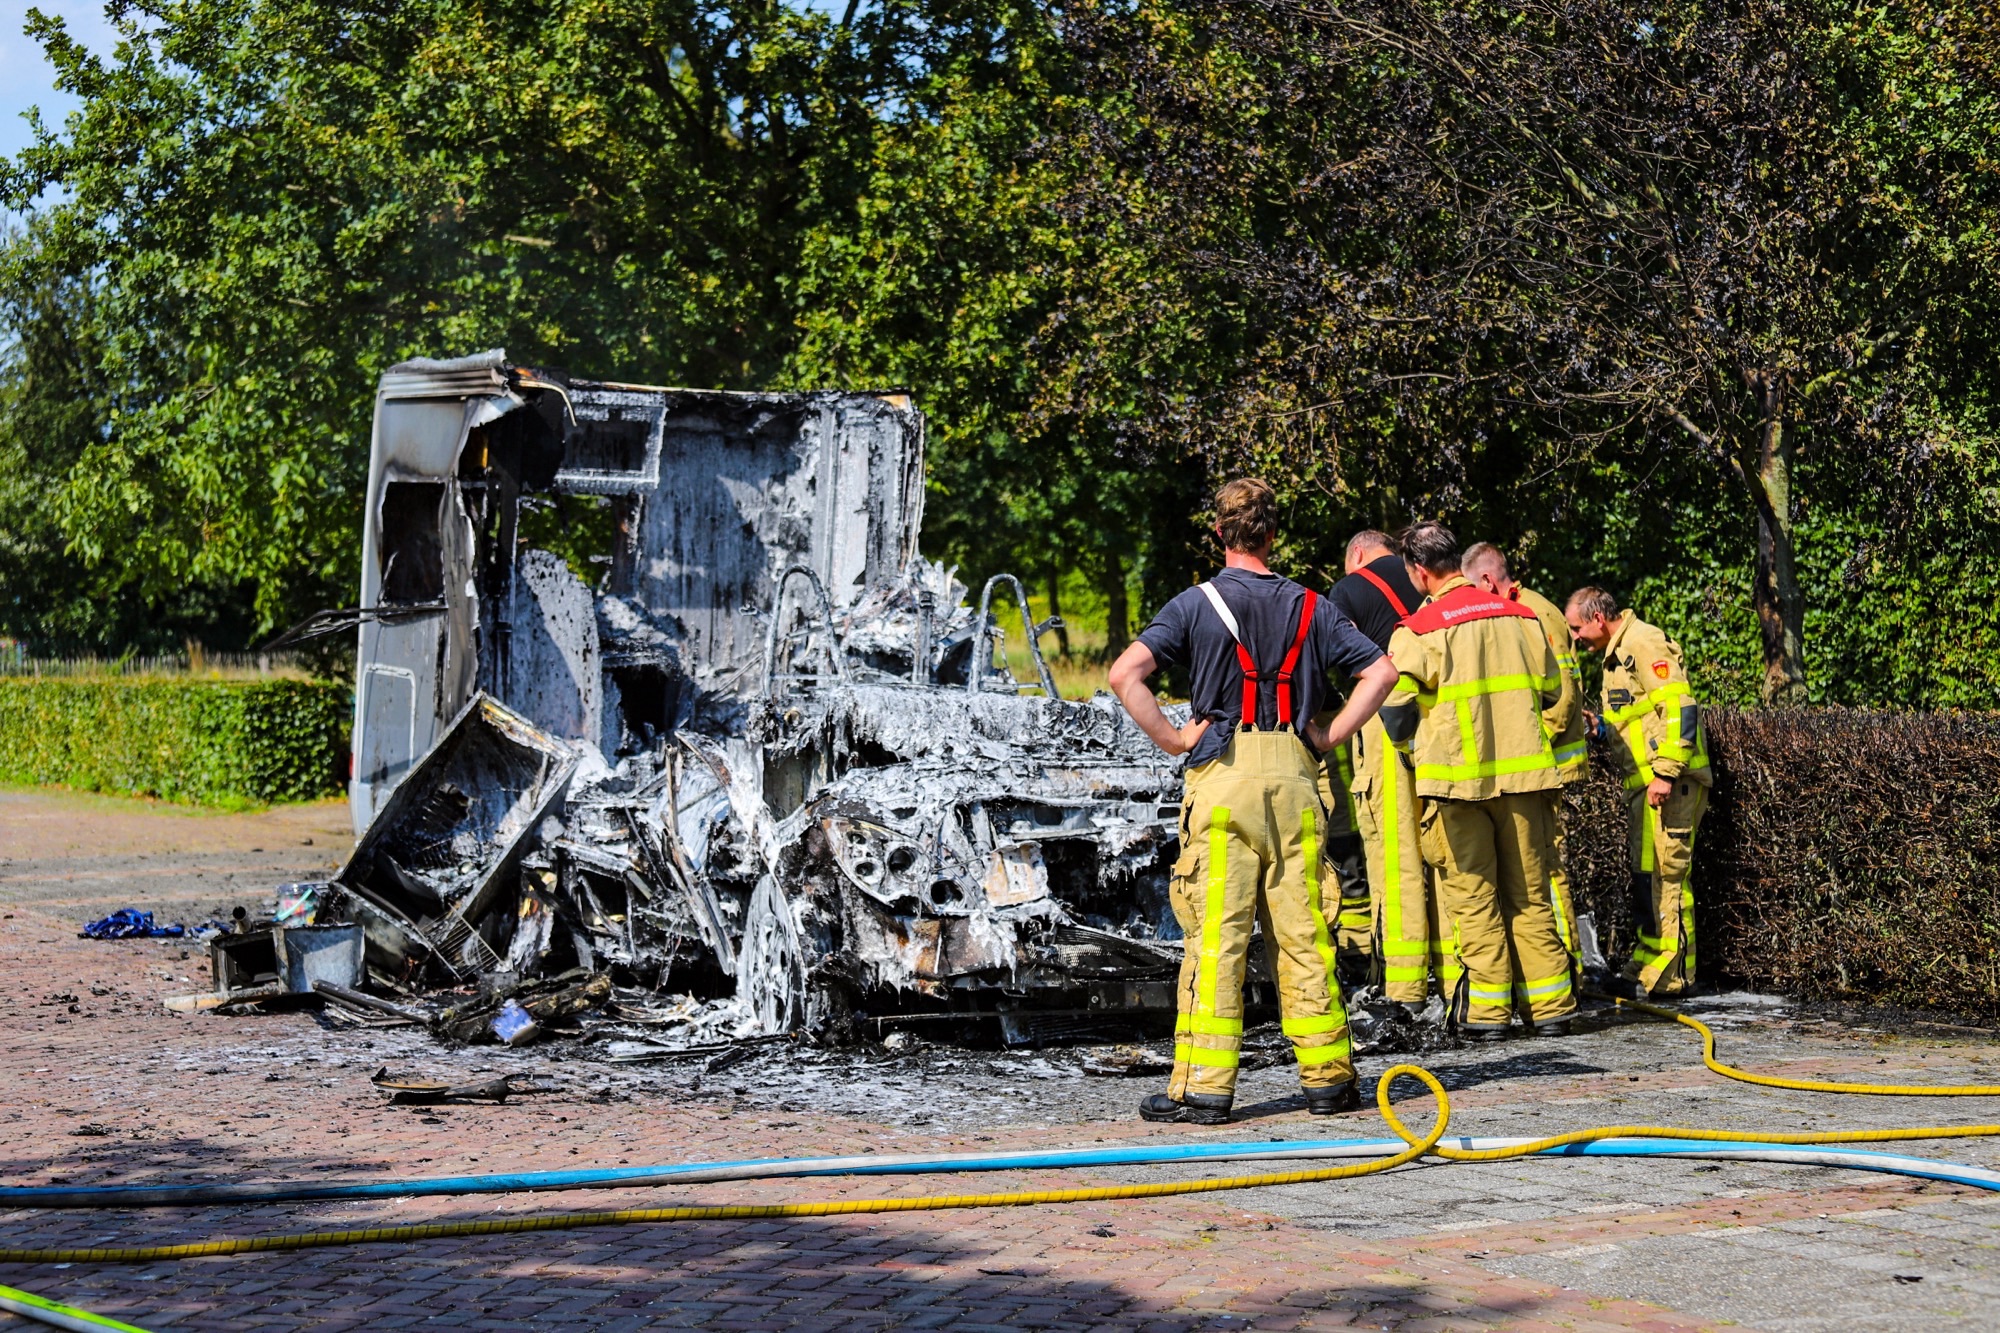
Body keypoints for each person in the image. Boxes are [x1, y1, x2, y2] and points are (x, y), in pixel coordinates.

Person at [1109, 479, 1398, 1123]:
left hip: (1223, 780)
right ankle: (1329, 1079)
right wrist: (1328, 733)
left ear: (1220, 533)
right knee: (1303, 931)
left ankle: (1204, 1089)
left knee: (1218, 936)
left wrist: (1174, 738)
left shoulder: (1193, 604)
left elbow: (1124, 674)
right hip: (1296, 778)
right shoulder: (1313, 606)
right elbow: (1381, 670)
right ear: (1272, 533)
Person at [1379, 522, 1576, 1040]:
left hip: (1457, 788)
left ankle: (1488, 1017)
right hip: (1526, 780)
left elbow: (1395, 708)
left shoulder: (1418, 630)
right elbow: (1554, 689)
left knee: (1475, 897)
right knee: (1531, 894)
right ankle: (1552, 1007)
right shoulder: (1522, 616)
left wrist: (1413, 753)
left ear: (1420, 572)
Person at [1565, 586, 1711, 998]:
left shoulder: (1643, 641)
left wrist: (1665, 772)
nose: (1575, 637)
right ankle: (1646, 966)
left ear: (1597, 618)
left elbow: (1680, 708)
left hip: (1670, 785)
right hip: (1649, 789)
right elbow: (1638, 719)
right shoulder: (1616, 655)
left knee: (1668, 879)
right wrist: (1600, 730)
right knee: (1649, 880)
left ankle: (1673, 977)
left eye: (1577, 628)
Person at [1331, 531, 1449, 1013]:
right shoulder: (1433, 578)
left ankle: (1403, 988)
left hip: (1387, 724)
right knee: (1446, 850)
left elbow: (1335, 664)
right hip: (1445, 724)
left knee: (1395, 855)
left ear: (1356, 554)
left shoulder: (1350, 590)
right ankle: (1454, 973)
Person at [1461, 542, 1587, 969]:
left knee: (1547, 871)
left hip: (1549, 766)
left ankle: (1568, 966)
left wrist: (1530, 745)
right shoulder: (1513, 612)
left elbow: (1562, 695)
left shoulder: (1536, 612)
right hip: (1533, 767)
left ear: (1486, 581)